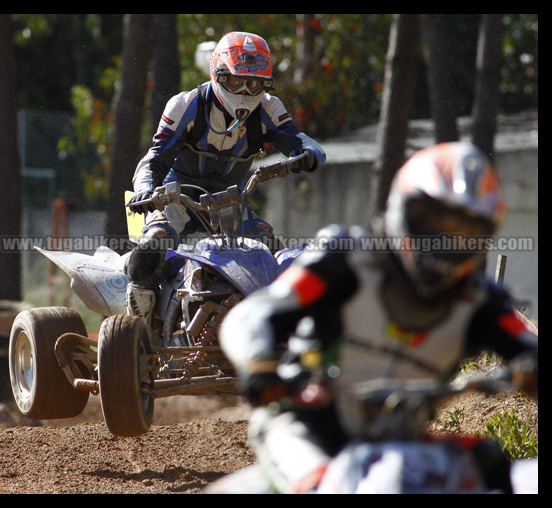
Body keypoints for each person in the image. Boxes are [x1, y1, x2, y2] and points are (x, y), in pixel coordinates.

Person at [218, 142, 538, 493]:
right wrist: (259, 363)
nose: (445, 243)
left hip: (404, 446)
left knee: (495, 470)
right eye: (433, 222)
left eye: (464, 234)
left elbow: (527, 345)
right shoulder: (346, 261)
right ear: (402, 206)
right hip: (304, 426)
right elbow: (256, 312)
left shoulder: (477, 301)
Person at [125, 31, 326, 322]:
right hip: (174, 196)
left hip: (230, 201)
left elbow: (299, 141)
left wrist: (308, 155)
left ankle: (276, 331)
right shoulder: (185, 105)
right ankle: (137, 329)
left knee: (271, 251)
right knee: (152, 245)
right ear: (217, 74)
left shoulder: (269, 108)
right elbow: (154, 159)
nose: (245, 92)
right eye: (236, 81)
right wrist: (145, 190)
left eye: (255, 83)